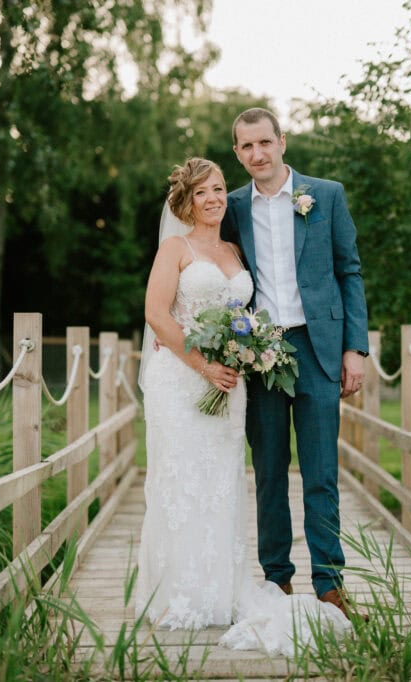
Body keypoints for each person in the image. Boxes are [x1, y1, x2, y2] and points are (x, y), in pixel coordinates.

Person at [135, 157, 351, 653]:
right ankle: (180, 592)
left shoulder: (235, 247)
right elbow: (155, 313)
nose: (212, 199)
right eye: (200, 193)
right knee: (182, 480)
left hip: (233, 383)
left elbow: (251, 310)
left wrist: (241, 353)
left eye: (216, 190)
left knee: (223, 482)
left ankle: (223, 589)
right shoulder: (175, 247)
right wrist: (204, 365)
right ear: (184, 203)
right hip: (187, 380)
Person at [221, 108, 370, 618]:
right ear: (237, 153)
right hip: (259, 351)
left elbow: (349, 271)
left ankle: (330, 584)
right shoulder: (232, 207)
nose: (257, 154)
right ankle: (276, 583)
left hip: (319, 347)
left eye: (264, 142)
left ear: (282, 142)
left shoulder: (325, 195)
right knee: (268, 472)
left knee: (321, 471)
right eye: (246, 147)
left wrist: (356, 347)